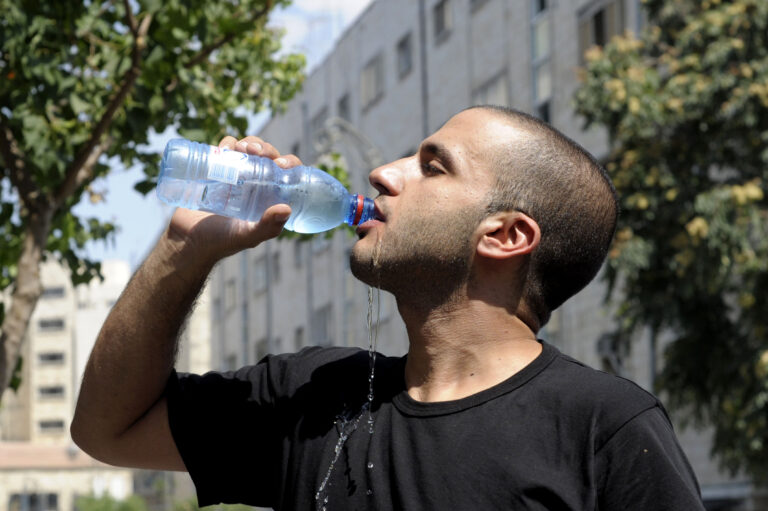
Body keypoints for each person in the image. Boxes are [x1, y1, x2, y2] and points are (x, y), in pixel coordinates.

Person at [71, 106, 705, 510]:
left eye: (433, 167)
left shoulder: (604, 429)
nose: (381, 173)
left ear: (505, 235)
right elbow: (107, 429)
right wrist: (185, 249)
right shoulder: (314, 396)